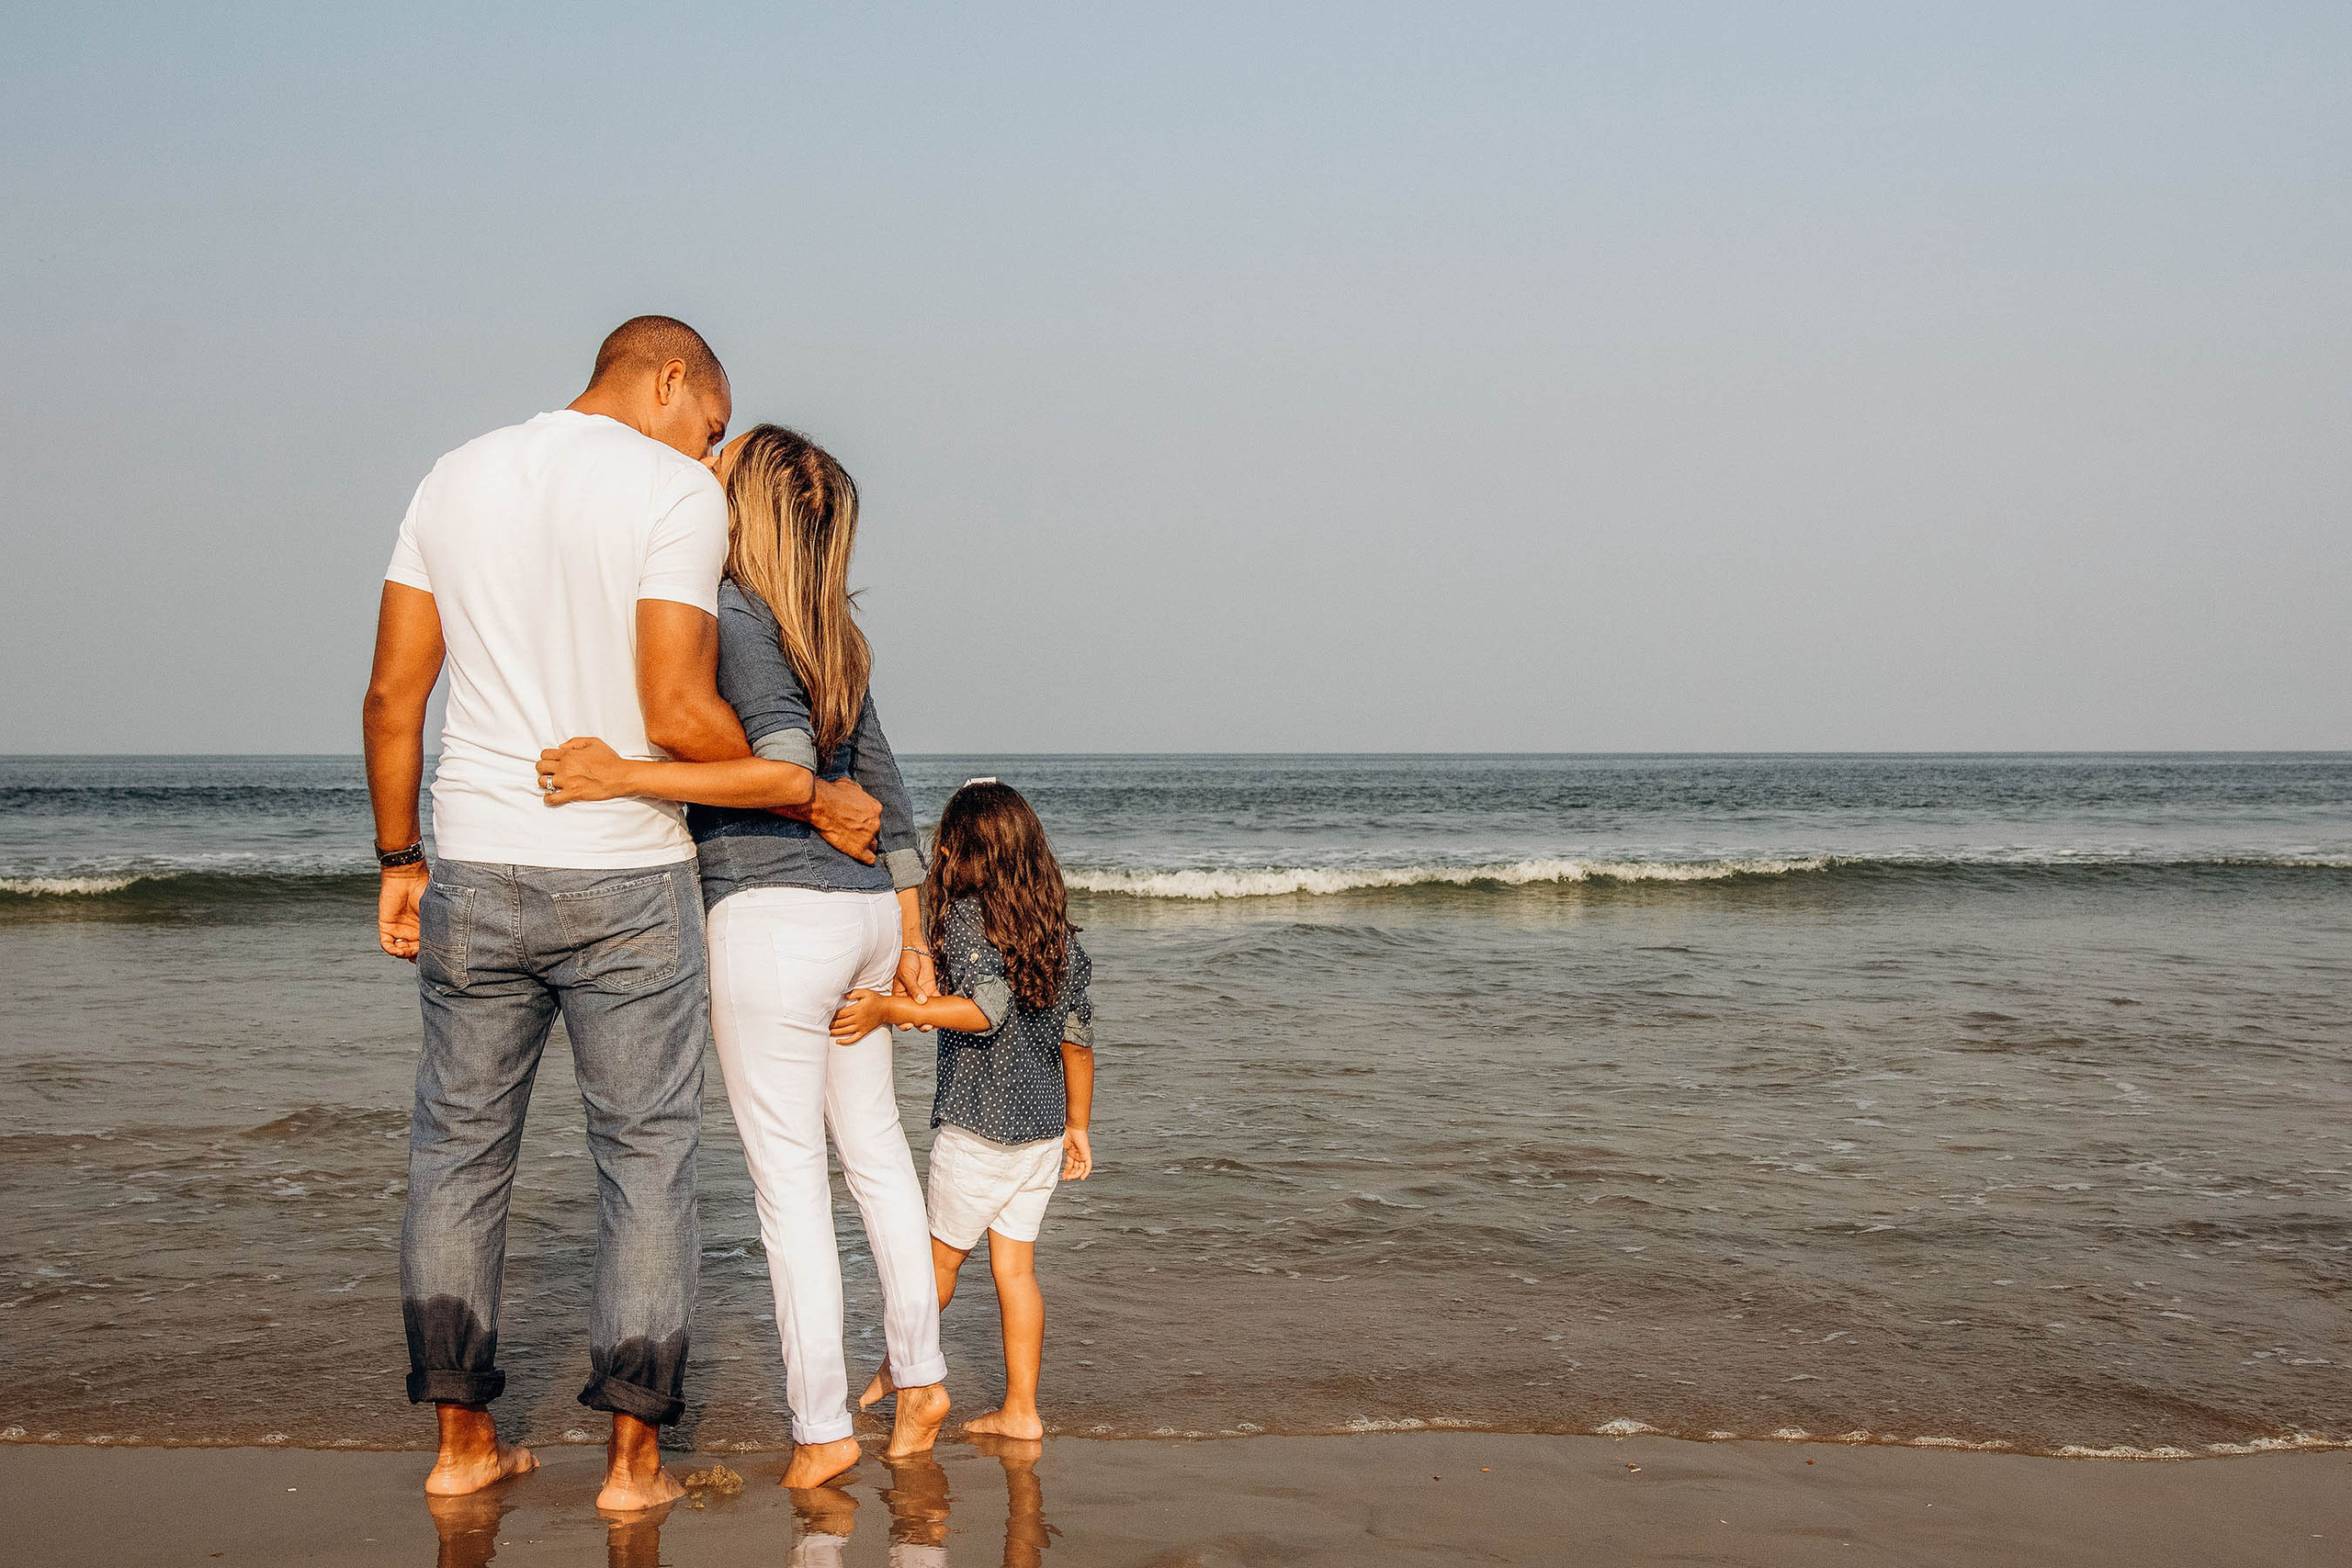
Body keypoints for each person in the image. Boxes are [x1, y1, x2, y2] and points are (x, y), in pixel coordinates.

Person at [361, 318, 882, 1509]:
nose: (711, 450)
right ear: (668, 379)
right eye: (710, 420)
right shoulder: (673, 494)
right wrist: (790, 778)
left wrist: (398, 855)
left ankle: (460, 1445)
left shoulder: (453, 474)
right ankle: (634, 1466)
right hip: (627, 878)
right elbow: (676, 706)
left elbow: (395, 693)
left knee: (456, 1152)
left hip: (478, 861)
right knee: (645, 1162)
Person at [538, 424, 951, 1487]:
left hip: (775, 919)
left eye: (719, 477)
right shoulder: (831, 629)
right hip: (861, 918)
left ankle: (821, 1429)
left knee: (791, 1192)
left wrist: (618, 775)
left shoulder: (731, 614)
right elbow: (890, 785)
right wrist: (912, 931)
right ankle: (923, 1379)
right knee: (878, 1159)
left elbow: (783, 766)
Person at [832, 780, 1097, 1442]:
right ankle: (1022, 1410)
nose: (939, 855)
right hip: (1039, 1136)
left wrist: (896, 1008)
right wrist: (1078, 1126)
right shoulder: (1057, 935)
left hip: (979, 1132)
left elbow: (987, 1008)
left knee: (933, 1269)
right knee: (1016, 1272)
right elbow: (1078, 1040)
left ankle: (901, 1371)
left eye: (946, 846)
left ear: (962, 854)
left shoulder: (968, 919)